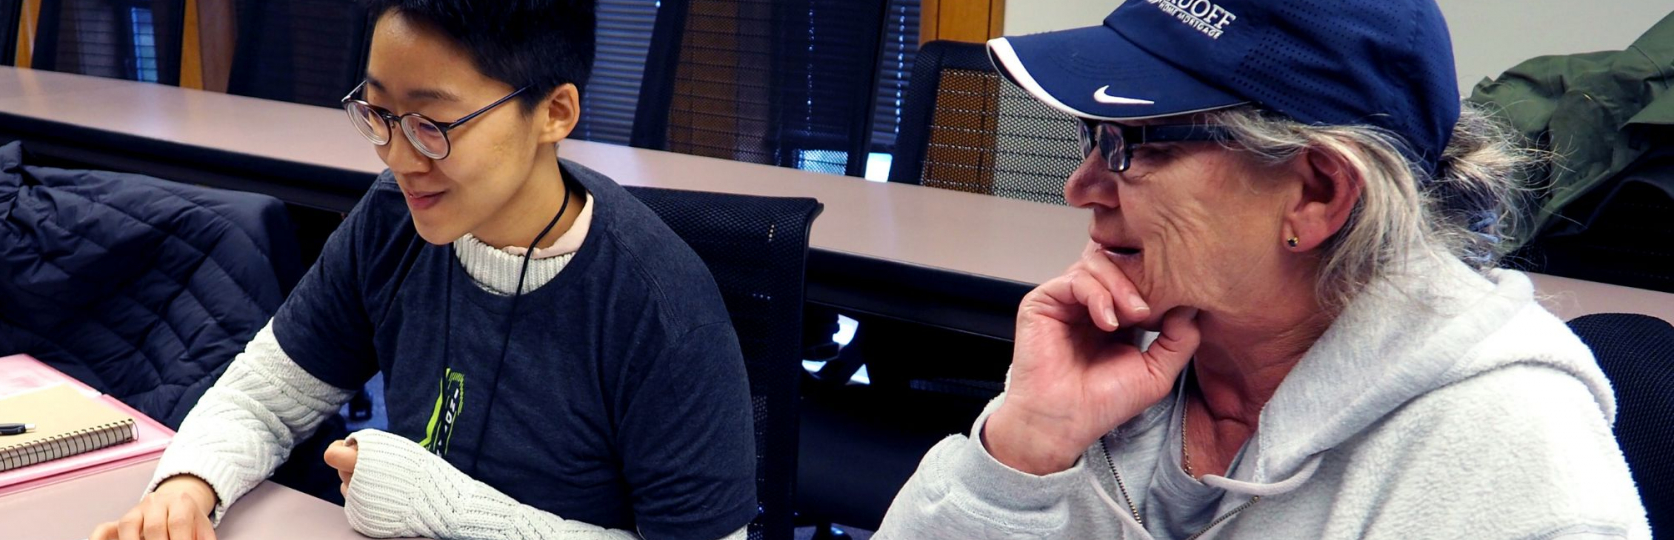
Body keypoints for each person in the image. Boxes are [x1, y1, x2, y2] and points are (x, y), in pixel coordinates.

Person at [878, 0, 1651, 538]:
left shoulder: (1514, 468)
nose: (1079, 188)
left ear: (1315, 193)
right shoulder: (1125, 359)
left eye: (1132, 145)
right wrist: (1024, 451)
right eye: (1092, 136)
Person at [89, 1, 759, 539]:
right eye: (379, 114)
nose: (399, 158)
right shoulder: (393, 221)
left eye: (433, 124)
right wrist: (188, 486)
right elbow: (263, 397)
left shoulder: (661, 312)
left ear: (553, 114)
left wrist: (440, 507)